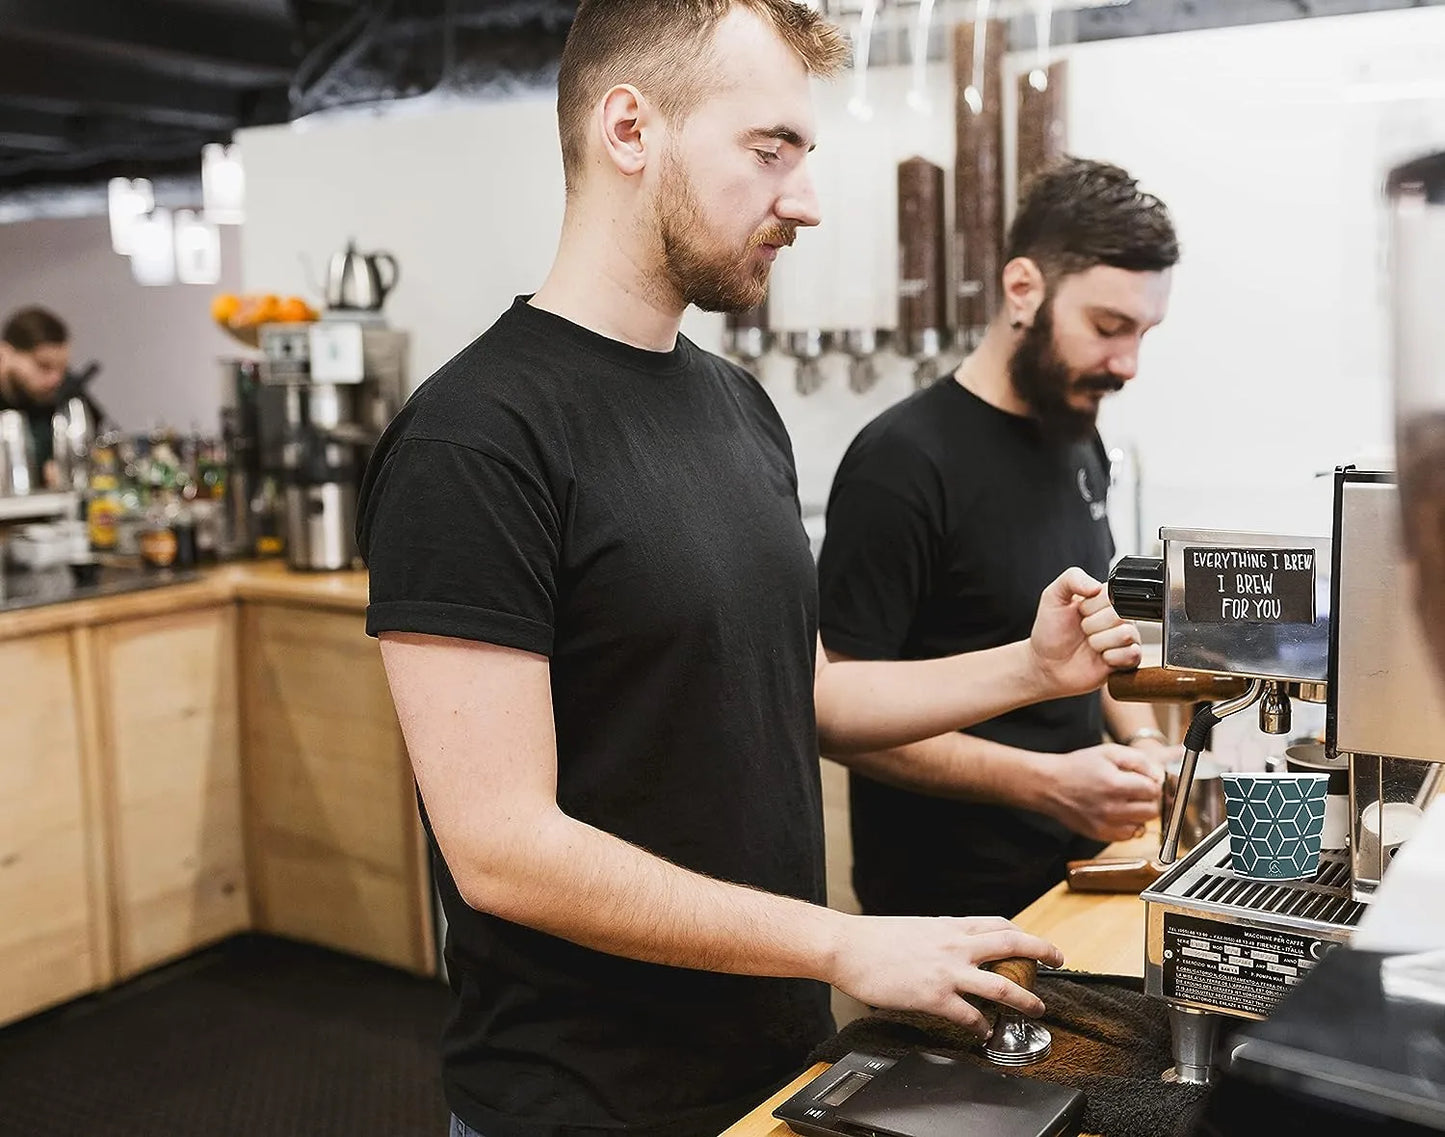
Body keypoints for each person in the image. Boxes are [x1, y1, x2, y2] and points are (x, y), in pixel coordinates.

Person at [357, 8, 1142, 1136]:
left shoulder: (735, 407)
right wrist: (842, 941)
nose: (806, 200)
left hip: (777, 1063)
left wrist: (1028, 666)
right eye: (769, 150)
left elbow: (801, 688)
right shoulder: (476, 438)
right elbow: (501, 852)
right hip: (582, 1105)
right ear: (630, 128)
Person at [816, 158, 1182, 922]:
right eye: (1108, 328)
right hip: (948, 901)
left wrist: (1145, 741)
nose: (1128, 365)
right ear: (1023, 290)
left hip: (1074, 864)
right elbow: (838, 718)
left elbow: (1095, 625)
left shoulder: (1073, 436)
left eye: (1143, 333)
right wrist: (1043, 780)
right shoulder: (901, 462)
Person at [0, 306, 72, 477]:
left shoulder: (64, 397)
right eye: (43, 366)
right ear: (4, 354)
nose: (56, 379)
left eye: (62, 368)